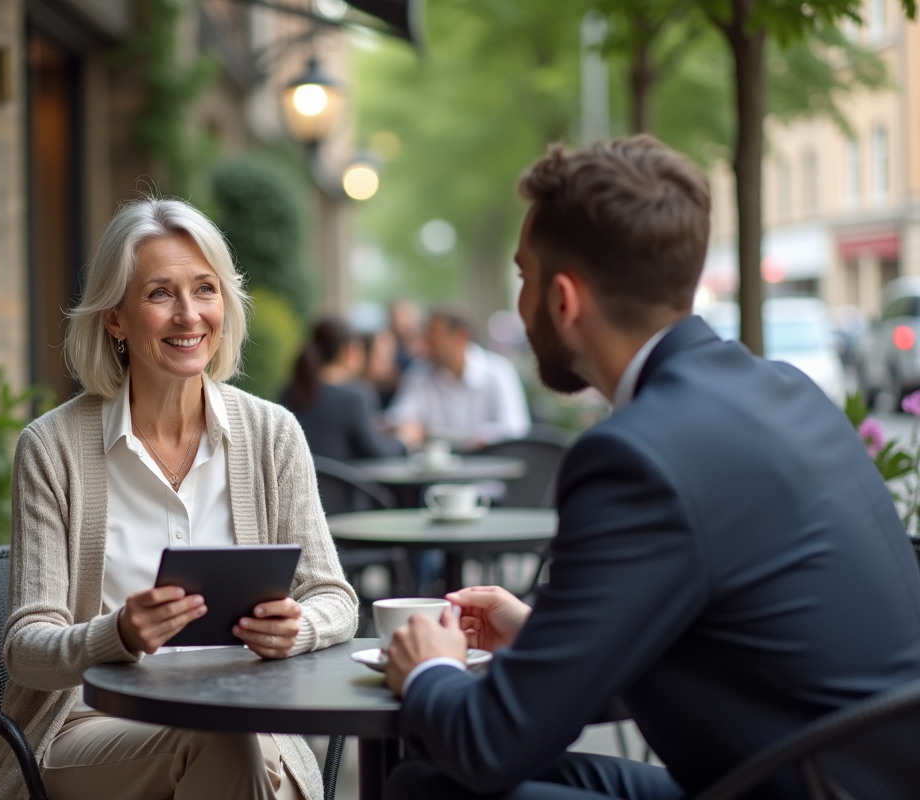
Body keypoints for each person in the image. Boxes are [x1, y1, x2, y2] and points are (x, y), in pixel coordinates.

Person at [382, 137, 920, 799]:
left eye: (524, 277)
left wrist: (431, 671)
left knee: (426, 787)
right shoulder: (785, 389)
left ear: (564, 300)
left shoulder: (636, 456)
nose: (520, 306)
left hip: (793, 787)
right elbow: (730, 614)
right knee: (436, 771)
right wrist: (540, 631)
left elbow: (492, 744)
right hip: (840, 779)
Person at [0, 198, 358, 800]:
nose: (189, 315)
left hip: (250, 721)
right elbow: (26, 648)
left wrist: (300, 626)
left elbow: (333, 597)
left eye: (205, 289)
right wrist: (118, 634)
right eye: (160, 294)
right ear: (114, 318)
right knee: (226, 749)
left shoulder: (273, 434)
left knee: (238, 753)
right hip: (88, 727)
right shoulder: (51, 447)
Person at [387, 307, 531, 451]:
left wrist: (467, 438)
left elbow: (515, 428)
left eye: (433, 340)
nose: (426, 347)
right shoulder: (419, 372)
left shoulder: (498, 372)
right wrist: (403, 425)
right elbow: (399, 416)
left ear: (460, 336)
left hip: (489, 465)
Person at [283, 317, 405, 462]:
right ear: (348, 351)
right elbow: (377, 452)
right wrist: (404, 441)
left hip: (300, 482)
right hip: (342, 484)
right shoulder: (355, 396)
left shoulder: (290, 391)